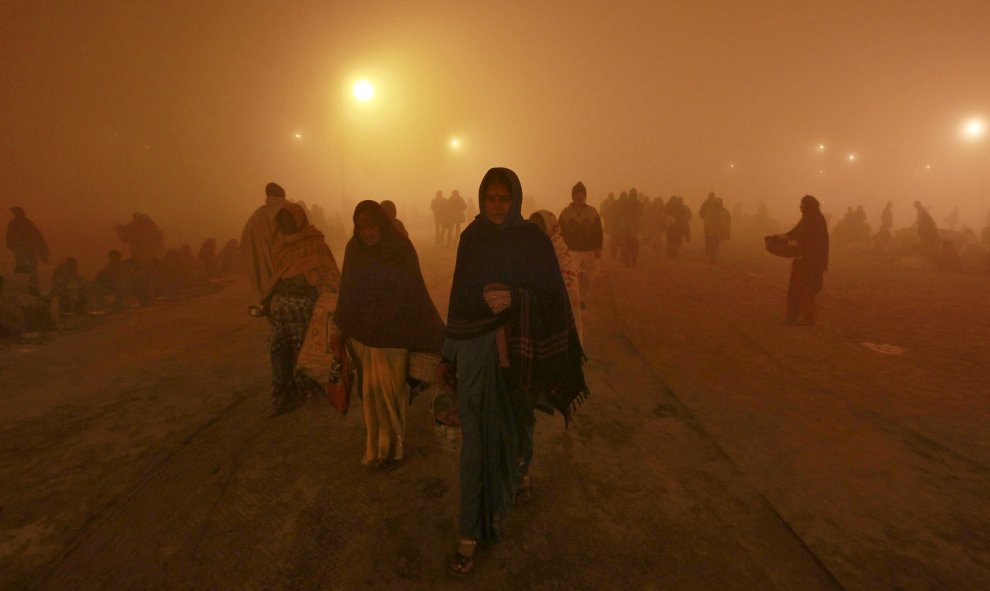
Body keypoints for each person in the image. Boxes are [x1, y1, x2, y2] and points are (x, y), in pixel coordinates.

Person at [439, 167, 588, 576]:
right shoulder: (471, 239)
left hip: (520, 357)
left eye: (504, 198)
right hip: (474, 352)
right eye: (491, 198)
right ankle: (470, 531)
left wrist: (514, 300)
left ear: (516, 199)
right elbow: (459, 293)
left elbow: (553, 295)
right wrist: (448, 353)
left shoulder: (532, 240)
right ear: (482, 199)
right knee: (475, 444)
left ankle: (510, 488)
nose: (497, 206)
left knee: (514, 430)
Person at [335, 201, 444, 467]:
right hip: (364, 337)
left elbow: (413, 291)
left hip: (394, 334)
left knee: (392, 393)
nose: (367, 232)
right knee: (370, 395)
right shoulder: (354, 250)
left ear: (382, 224)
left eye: (372, 226)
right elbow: (347, 290)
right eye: (362, 227)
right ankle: (375, 449)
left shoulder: (400, 249)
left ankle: (393, 448)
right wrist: (343, 327)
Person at [264, 201, 342, 414]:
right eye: (282, 220)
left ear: (300, 220)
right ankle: (282, 395)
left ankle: (307, 391)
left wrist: (311, 283)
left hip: (306, 310)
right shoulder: (278, 244)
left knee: (306, 353)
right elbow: (275, 275)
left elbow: (329, 274)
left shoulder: (315, 243)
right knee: (278, 352)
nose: (286, 224)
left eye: (289, 219)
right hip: (281, 310)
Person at [773, 195, 829, 325]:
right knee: (794, 288)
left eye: (802, 204)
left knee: (805, 289)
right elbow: (793, 233)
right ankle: (791, 316)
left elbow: (811, 241)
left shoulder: (816, 220)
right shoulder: (806, 218)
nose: (800, 207)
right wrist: (778, 237)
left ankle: (808, 318)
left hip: (811, 261)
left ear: (808, 206)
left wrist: (790, 242)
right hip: (801, 259)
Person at [530, 210, 584, 343]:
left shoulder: (558, 250)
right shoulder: (534, 247)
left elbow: (566, 284)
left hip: (560, 307)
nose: (536, 231)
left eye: (540, 227)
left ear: (550, 227)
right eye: (533, 227)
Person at [558, 181, 603, 310]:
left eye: (582, 194)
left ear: (585, 196)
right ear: (572, 196)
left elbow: (598, 231)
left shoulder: (592, 212)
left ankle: (581, 298)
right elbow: (559, 232)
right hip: (571, 250)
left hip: (589, 251)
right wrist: (561, 249)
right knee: (571, 278)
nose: (579, 196)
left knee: (587, 277)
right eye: (576, 193)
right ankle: (572, 300)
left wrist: (598, 247)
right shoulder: (565, 213)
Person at [241, 182, 290, 300]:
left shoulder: (258, 215)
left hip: (266, 270)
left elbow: (245, 242)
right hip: (289, 266)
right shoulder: (290, 211)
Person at [5, 207, 49, 289]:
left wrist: (12, 246)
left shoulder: (15, 223)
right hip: (27, 249)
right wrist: (43, 250)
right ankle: (29, 285)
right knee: (27, 267)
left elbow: (37, 236)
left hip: (25, 249)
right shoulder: (26, 223)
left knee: (24, 266)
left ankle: (27, 285)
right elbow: (38, 236)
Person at [701, 197, 731, 262]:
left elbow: (728, 218)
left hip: (714, 231)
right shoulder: (720, 210)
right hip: (714, 231)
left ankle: (712, 256)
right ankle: (712, 256)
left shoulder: (719, 210)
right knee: (713, 244)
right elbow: (727, 219)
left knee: (715, 244)